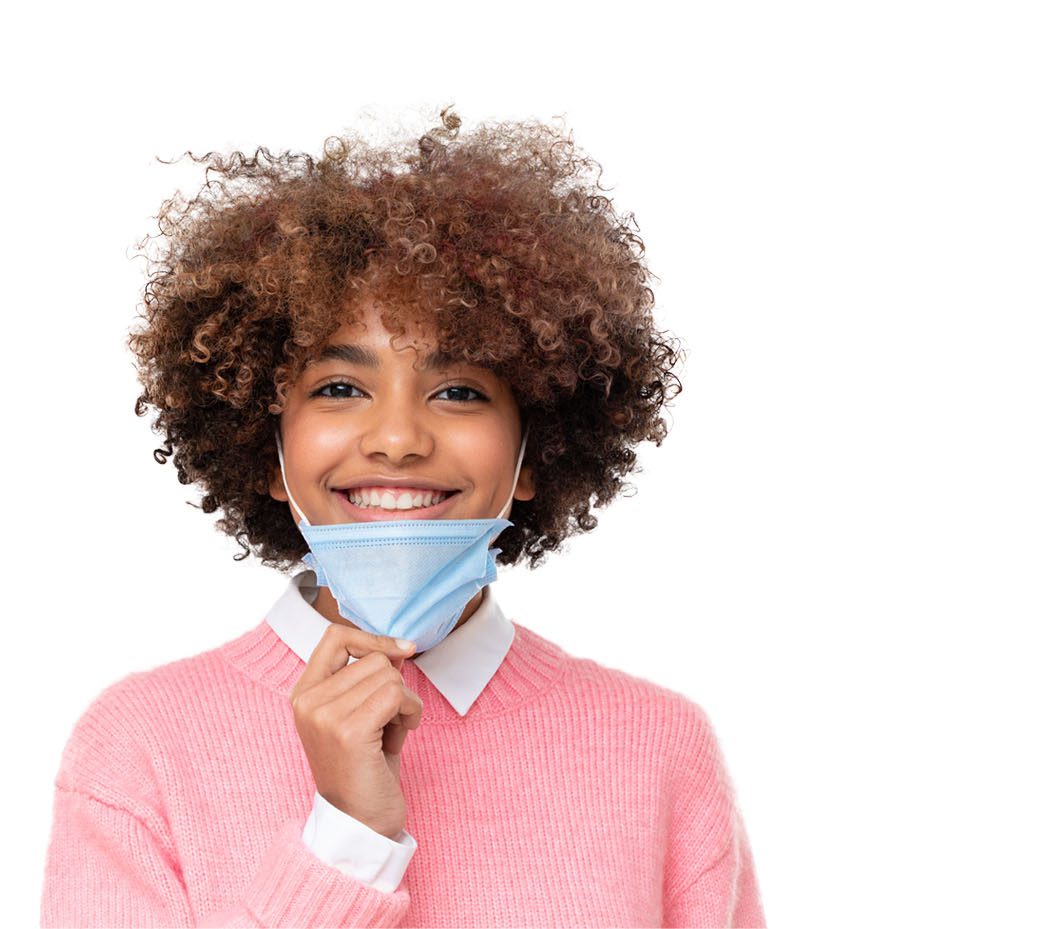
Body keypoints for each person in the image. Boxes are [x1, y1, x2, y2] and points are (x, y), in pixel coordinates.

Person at [40, 110, 763, 927]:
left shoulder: (659, 746)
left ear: (536, 448)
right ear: (265, 443)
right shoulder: (139, 749)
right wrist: (347, 837)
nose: (396, 438)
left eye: (459, 390)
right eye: (340, 388)